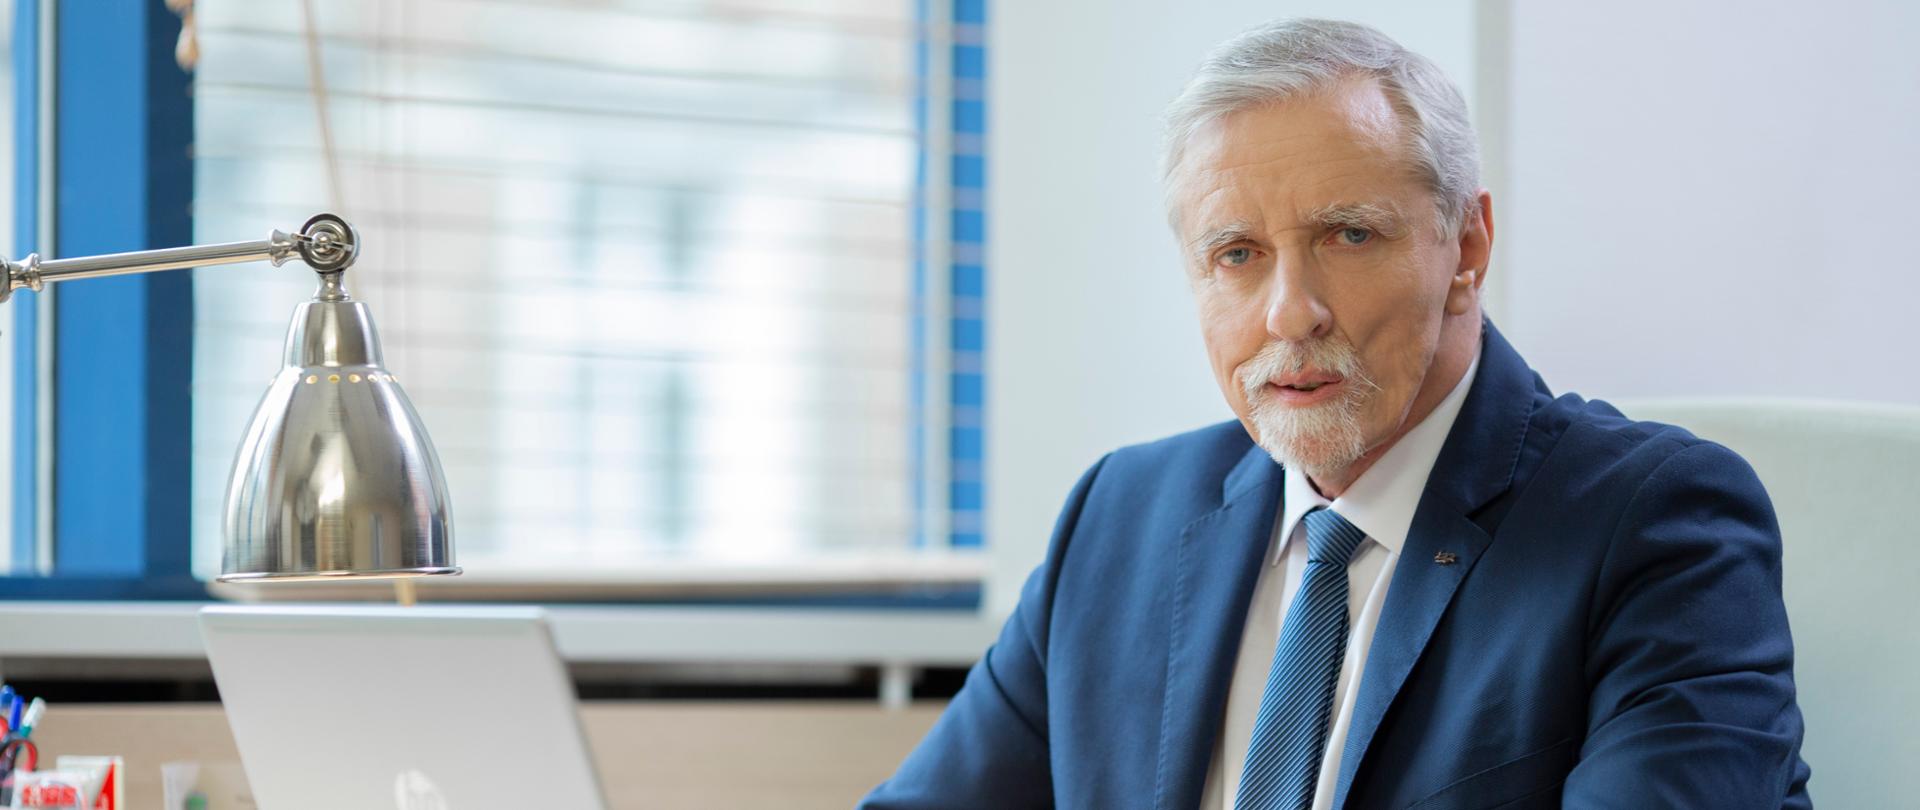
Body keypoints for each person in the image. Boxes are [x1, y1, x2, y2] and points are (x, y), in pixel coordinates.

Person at [862, 17, 1811, 810]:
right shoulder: (1119, 518)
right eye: (1236, 254)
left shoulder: (1655, 526)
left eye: (1349, 235)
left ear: (1467, 247)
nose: (1290, 313)